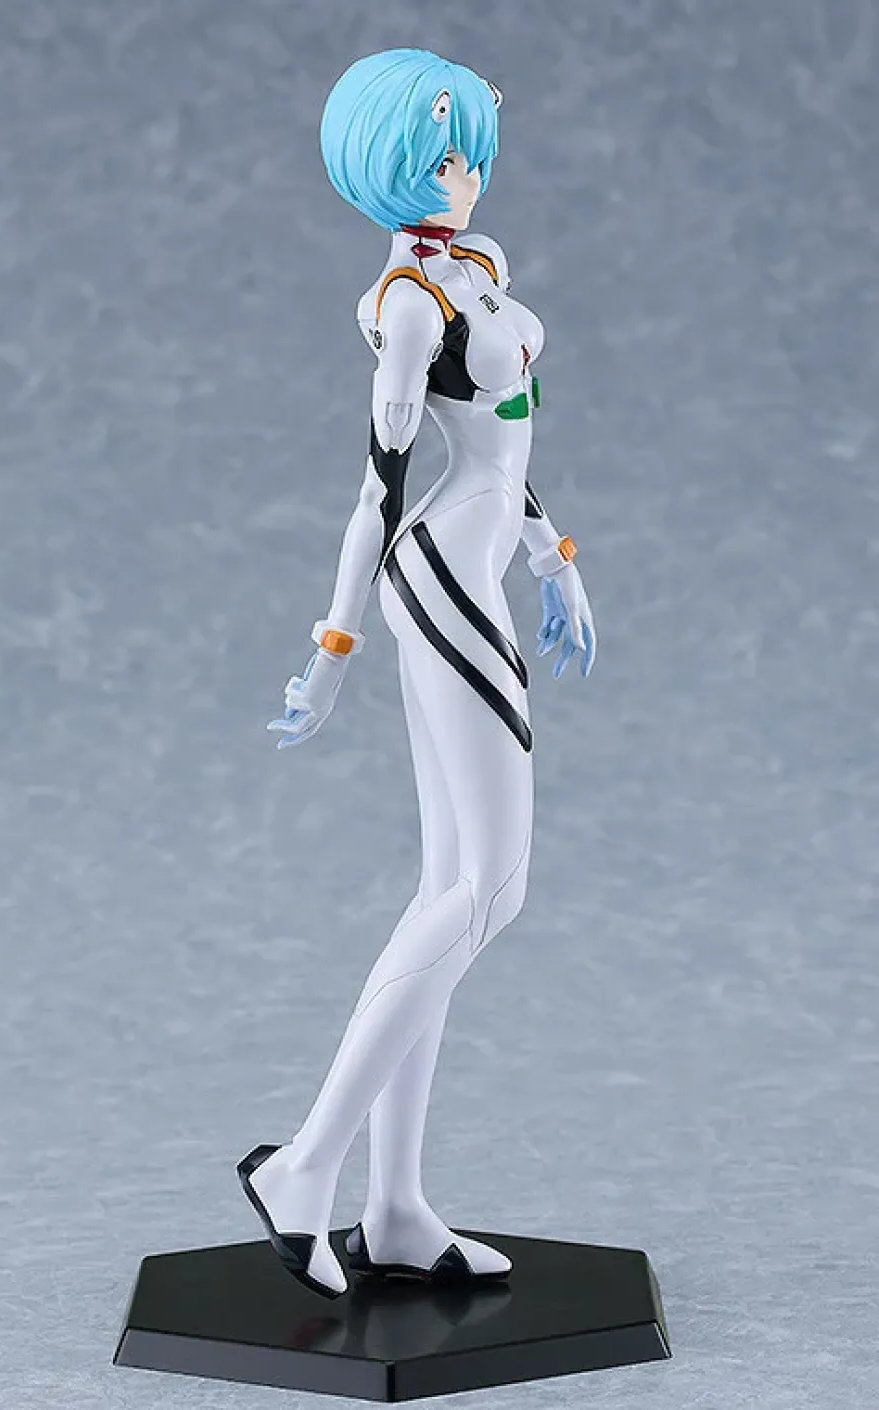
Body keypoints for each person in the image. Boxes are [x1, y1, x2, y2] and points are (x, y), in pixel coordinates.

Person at [238, 47, 597, 1300]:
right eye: (441, 155)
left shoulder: (476, 269)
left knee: (453, 887)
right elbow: (380, 487)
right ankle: (305, 1166)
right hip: (441, 575)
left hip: (487, 555)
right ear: (386, 164)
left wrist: (554, 558)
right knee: (489, 889)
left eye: (471, 152)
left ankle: (394, 1211)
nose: (464, 174)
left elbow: (504, 447)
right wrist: (331, 648)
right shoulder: (404, 303)